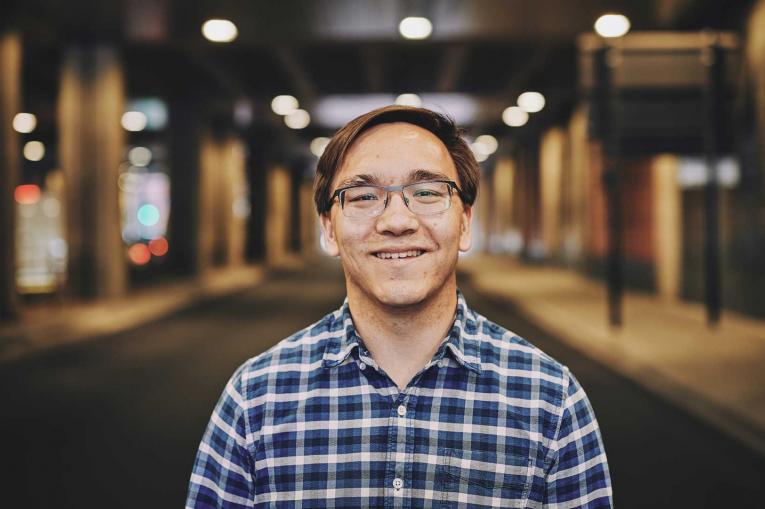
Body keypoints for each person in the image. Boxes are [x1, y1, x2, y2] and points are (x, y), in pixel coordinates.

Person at [186, 105, 612, 508]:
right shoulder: (255, 399)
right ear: (329, 229)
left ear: (464, 222)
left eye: (426, 192)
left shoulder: (550, 400)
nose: (396, 221)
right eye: (363, 196)